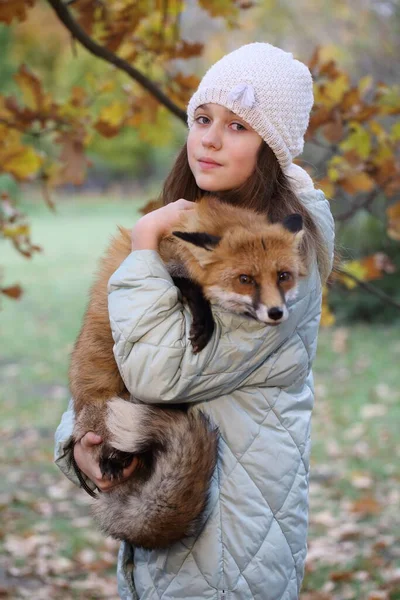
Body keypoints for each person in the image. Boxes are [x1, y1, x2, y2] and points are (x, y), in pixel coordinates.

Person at [54, 42, 335, 600]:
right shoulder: (195, 224)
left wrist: (140, 248)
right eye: (203, 119)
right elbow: (113, 346)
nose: (209, 138)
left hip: (232, 548)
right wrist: (79, 438)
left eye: (238, 127)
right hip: (174, 540)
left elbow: (156, 373)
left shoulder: (278, 258)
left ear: (272, 149)